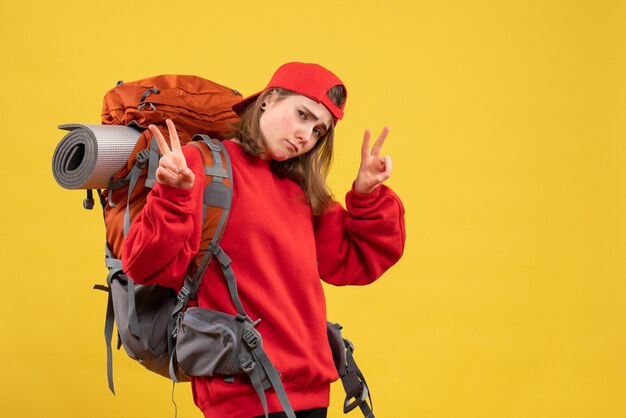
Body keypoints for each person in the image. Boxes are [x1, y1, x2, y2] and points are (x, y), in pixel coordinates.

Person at [122, 62, 406, 418]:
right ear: (269, 99)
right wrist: (174, 195)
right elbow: (144, 265)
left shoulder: (302, 190)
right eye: (302, 115)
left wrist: (366, 194)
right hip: (244, 393)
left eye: (319, 130)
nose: (307, 135)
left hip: (313, 392)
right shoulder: (203, 164)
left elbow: (356, 259)